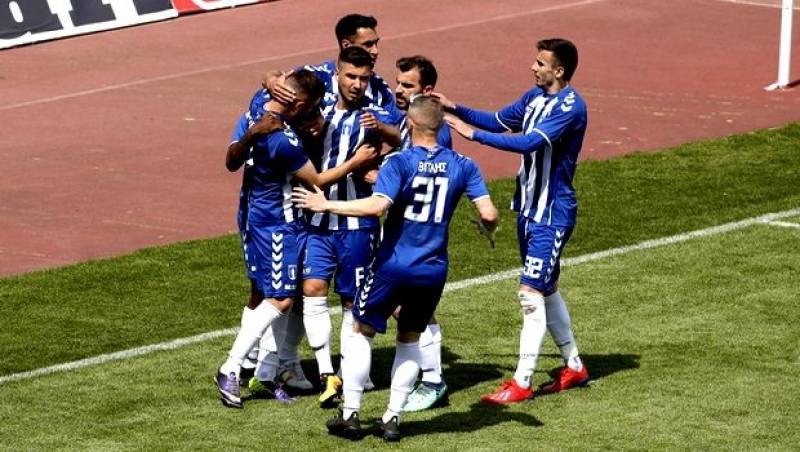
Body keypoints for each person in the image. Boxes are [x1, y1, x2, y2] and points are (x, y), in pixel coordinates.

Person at [293, 95, 499, 441]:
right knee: (410, 339)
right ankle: (392, 418)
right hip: (432, 270)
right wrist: (487, 228)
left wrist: (325, 204)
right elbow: (489, 214)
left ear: (411, 125)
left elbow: (377, 207)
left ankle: (351, 413)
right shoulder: (465, 165)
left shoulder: (400, 162)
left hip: (392, 265)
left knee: (361, 330)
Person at [438, 38, 590, 404]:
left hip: (552, 215)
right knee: (546, 288)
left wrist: (473, 136)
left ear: (559, 70)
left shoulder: (571, 107)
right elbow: (499, 120)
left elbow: (527, 143)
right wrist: (454, 107)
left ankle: (522, 382)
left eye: (540, 63)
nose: (532, 67)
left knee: (529, 293)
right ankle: (574, 366)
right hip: (528, 210)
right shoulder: (534, 97)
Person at [215, 70, 377, 409]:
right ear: (300, 105)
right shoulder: (282, 141)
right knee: (279, 299)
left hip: (273, 218)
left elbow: (232, 157)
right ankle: (231, 367)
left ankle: (267, 372)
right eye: (314, 107)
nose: (316, 115)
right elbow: (317, 180)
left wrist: (267, 79)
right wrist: (355, 162)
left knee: (289, 296)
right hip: (277, 225)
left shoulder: (258, 106)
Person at [385, 55, 452, 412]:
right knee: (407, 309)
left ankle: (433, 379)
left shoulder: (436, 133)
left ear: (427, 90)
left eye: (407, 85)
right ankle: (430, 376)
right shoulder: (407, 120)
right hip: (405, 235)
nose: (398, 89)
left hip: (419, 238)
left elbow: (429, 180)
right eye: (398, 82)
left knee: (411, 309)